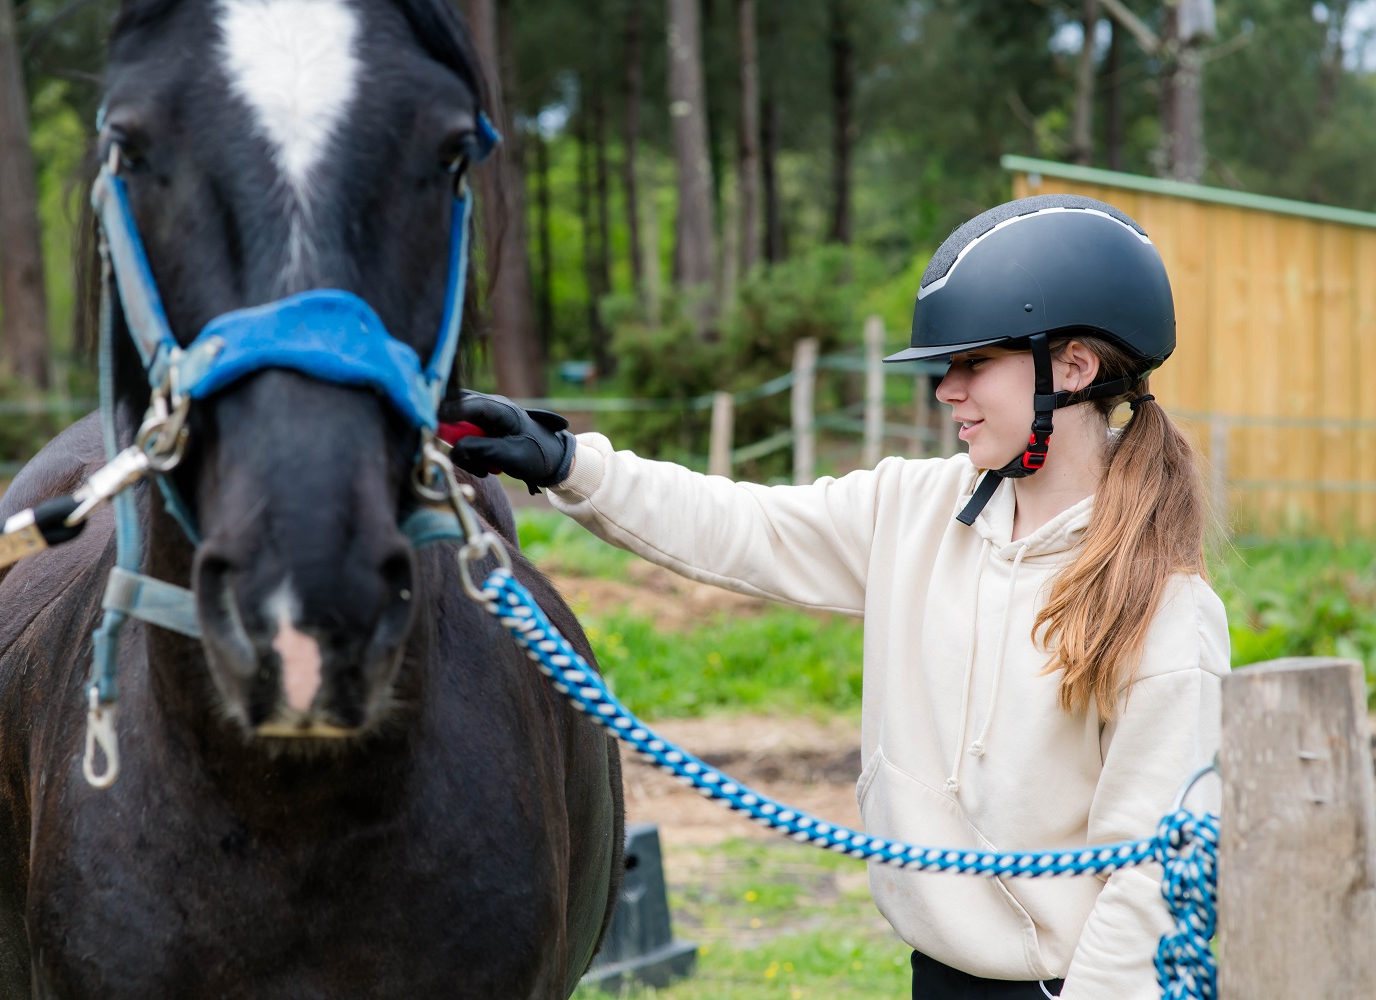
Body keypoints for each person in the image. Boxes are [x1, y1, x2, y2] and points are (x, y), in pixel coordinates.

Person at [441, 193, 1229, 1000]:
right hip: (938, 975)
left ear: (1072, 368)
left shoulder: (1168, 615)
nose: (945, 391)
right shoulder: (912, 510)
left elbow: (1150, 888)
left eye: (974, 364)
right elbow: (742, 526)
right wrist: (567, 460)